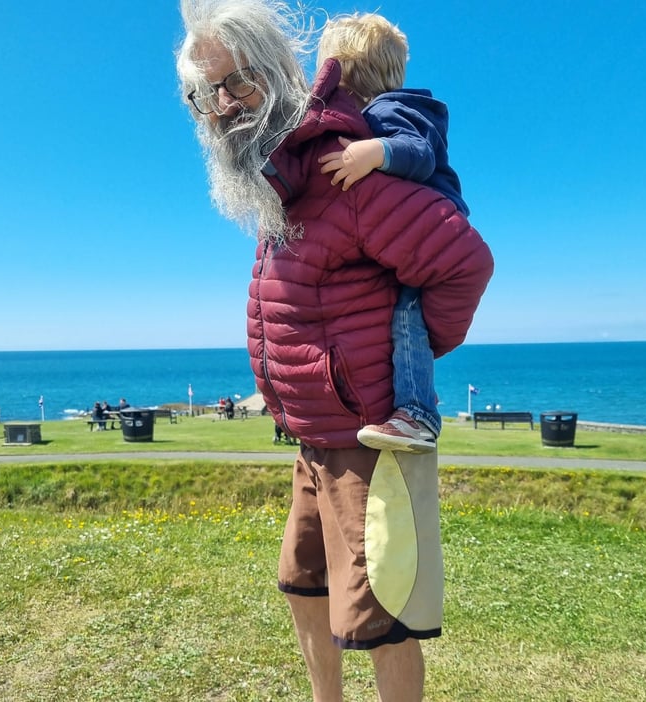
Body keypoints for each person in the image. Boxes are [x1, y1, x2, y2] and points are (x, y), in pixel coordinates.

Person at [176, 1, 493, 699]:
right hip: (312, 440)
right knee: (303, 586)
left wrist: (399, 355)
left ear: (278, 74)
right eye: (202, 93)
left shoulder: (341, 168)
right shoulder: (281, 180)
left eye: (233, 85)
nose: (219, 107)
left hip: (368, 443)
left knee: (382, 617)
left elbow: (463, 262)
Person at [317, 12, 469, 454]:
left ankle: (419, 413)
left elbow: (418, 154)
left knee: (407, 317)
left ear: (346, 71)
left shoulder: (393, 110)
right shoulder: (383, 110)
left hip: (432, 238)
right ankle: (415, 395)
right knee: (404, 322)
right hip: (417, 236)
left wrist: (373, 151)